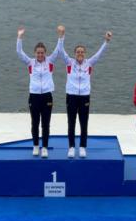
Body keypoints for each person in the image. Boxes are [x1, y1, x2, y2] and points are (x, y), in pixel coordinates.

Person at [59, 29, 112, 158]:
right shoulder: (69, 63)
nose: (80, 54)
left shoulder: (89, 63)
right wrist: (61, 36)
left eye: (82, 52)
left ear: (85, 53)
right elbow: (61, 51)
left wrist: (106, 41)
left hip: (84, 97)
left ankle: (82, 147)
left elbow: (100, 54)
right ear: (74, 54)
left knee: (84, 123)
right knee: (71, 122)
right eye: (78, 52)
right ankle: (71, 147)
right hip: (71, 96)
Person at [17, 26, 64, 158]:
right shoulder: (30, 63)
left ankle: (44, 147)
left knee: (46, 123)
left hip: (47, 97)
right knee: (35, 122)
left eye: (42, 52)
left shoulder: (50, 62)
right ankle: (36, 145)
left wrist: (61, 36)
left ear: (45, 53)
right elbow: (19, 52)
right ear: (34, 53)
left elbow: (58, 51)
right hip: (34, 97)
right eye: (38, 52)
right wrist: (20, 37)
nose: (40, 55)